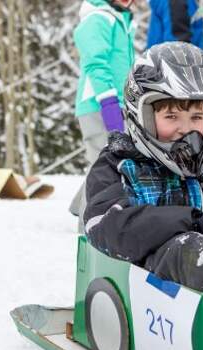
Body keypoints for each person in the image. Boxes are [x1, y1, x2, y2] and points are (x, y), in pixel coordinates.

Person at [83, 42, 203, 292]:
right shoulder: (118, 163)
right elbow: (106, 225)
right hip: (146, 288)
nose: (185, 129)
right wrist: (194, 221)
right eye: (171, 117)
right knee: (190, 248)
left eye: (197, 117)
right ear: (142, 116)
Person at [70, 0, 136, 219]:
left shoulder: (120, 20)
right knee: (102, 163)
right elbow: (95, 63)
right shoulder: (98, 18)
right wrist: (108, 104)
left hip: (119, 103)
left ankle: (80, 206)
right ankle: (88, 222)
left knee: (112, 161)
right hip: (98, 103)